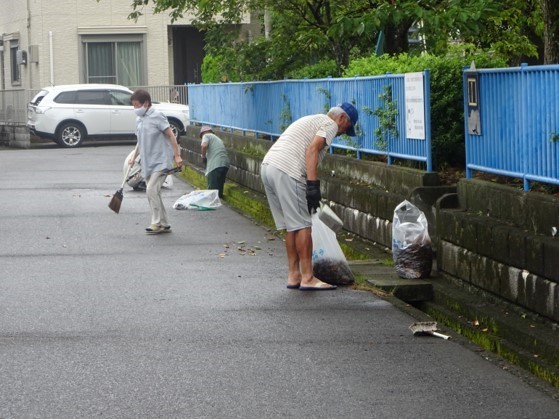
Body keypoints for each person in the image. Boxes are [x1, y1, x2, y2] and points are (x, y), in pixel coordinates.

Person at [260, 102, 358, 290]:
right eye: (347, 127)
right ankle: (307, 277)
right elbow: (312, 149)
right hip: (288, 170)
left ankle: (294, 275)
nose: (344, 133)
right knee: (303, 225)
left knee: (291, 226)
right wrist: (313, 186)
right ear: (341, 118)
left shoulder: (312, 119)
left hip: (268, 167)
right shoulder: (330, 124)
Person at [128, 89, 183, 235]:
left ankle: (156, 223)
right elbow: (140, 141)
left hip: (161, 161)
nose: (135, 108)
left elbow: (171, 135)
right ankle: (165, 223)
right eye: (133, 105)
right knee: (154, 192)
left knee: (151, 190)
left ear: (146, 103)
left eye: (137, 105)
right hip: (147, 162)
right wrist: (134, 157)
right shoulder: (139, 119)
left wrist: (177, 156)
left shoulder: (157, 116)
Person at [199, 126, 230, 199]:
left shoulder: (206, 135)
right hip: (225, 164)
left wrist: (203, 156)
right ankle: (219, 200)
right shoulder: (218, 139)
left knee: (212, 190)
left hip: (215, 164)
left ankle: (213, 202)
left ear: (203, 133)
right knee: (219, 186)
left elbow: (204, 146)